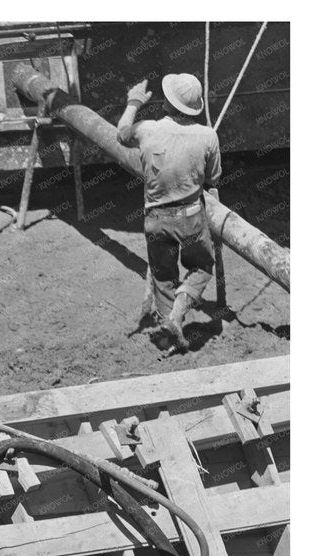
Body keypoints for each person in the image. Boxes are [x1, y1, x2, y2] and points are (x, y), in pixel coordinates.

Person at [117, 73, 222, 353]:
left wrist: (134, 101)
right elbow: (214, 177)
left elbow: (122, 133)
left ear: (167, 102)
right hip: (191, 217)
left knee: (163, 277)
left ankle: (167, 340)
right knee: (202, 267)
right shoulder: (208, 135)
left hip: (155, 218)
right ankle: (177, 316)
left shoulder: (146, 130)